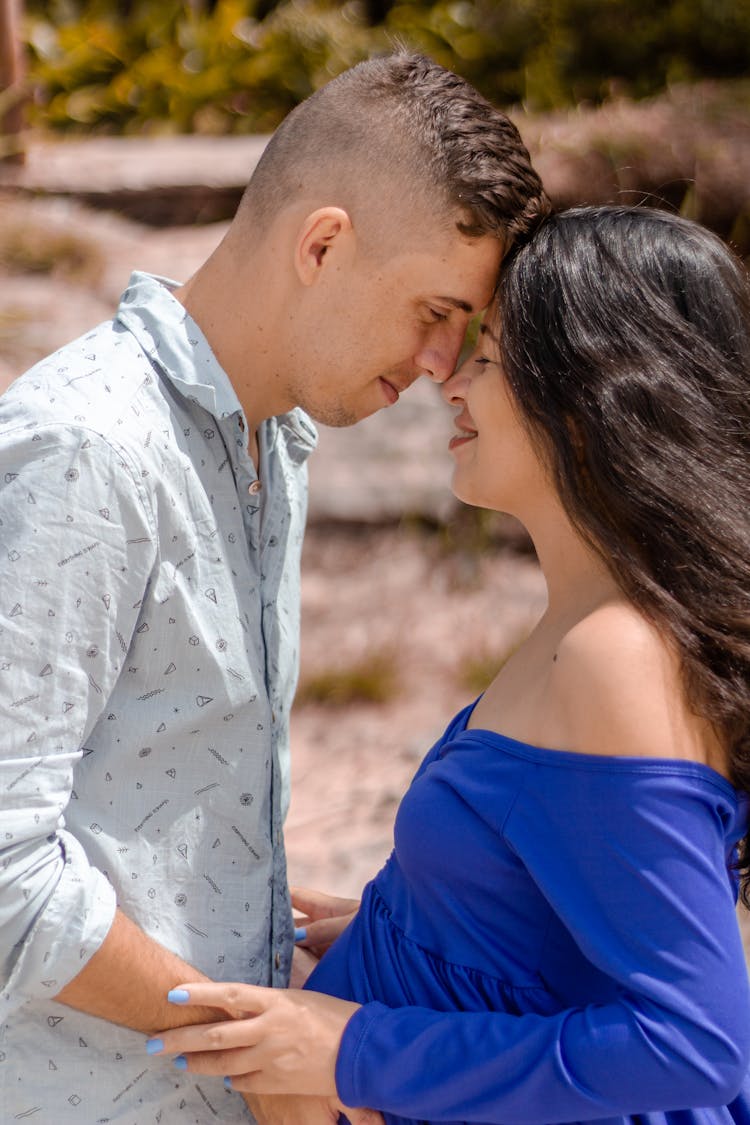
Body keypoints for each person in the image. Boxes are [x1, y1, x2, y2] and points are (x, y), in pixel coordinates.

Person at [0, 52, 549, 1125]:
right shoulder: (89, 448)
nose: (444, 364)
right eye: (435, 312)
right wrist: (259, 1049)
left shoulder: (272, 446)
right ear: (324, 244)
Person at [148, 205, 750, 1125]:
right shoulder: (586, 623)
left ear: (593, 398)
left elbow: (689, 1045)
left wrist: (349, 1051)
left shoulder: (614, 654)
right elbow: (578, 897)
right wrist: (423, 923)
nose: (450, 382)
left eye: (490, 356)